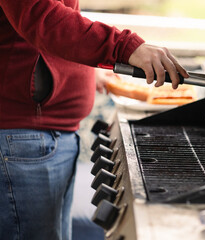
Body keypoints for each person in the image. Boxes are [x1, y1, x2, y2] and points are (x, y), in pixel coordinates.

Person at [0, 0, 188, 239]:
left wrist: (85, 70)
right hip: (24, 136)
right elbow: (41, 17)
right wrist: (125, 47)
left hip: (40, 136)